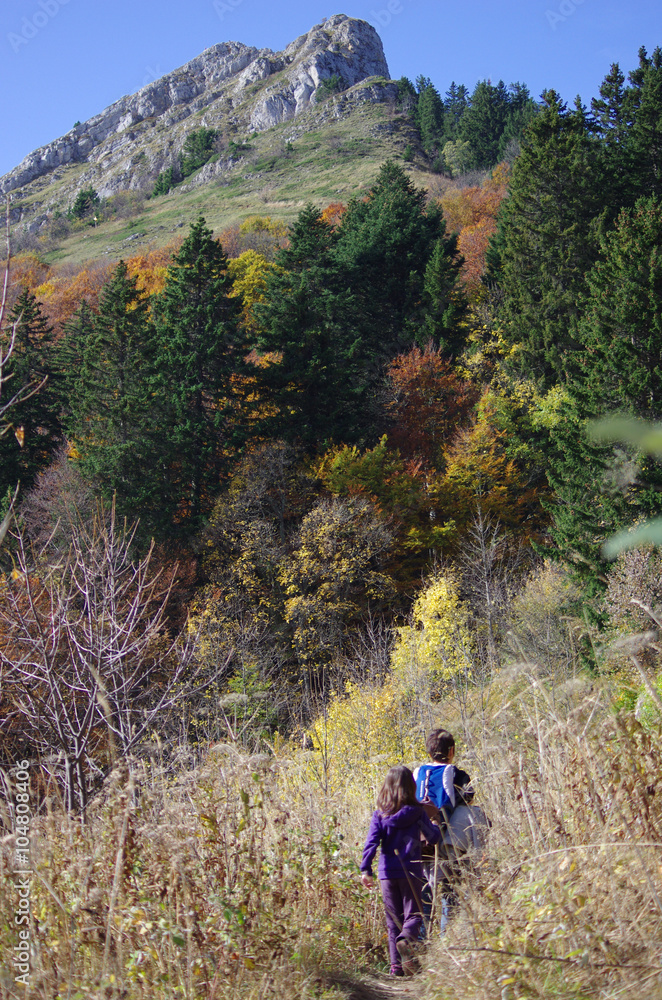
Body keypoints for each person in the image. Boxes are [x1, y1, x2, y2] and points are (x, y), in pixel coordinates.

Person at [360, 765, 441, 976]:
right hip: (412, 870)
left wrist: (365, 869)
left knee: (392, 920)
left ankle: (396, 967)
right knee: (414, 913)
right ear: (410, 787)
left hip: (386, 872)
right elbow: (433, 838)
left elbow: (371, 842)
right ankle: (405, 940)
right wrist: (435, 824)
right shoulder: (416, 812)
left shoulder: (379, 815)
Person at [413, 729, 477, 932]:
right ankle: (446, 939)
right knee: (449, 893)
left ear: (429, 752)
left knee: (423, 901)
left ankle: (419, 946)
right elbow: (469, 795)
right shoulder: (455, 773)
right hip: (443, 839)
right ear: (451, 751)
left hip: (417, 842)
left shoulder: (416, 772)